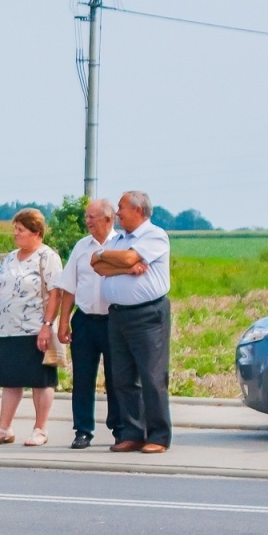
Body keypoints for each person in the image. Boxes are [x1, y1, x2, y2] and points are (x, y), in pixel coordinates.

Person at [92, 190, 173, 453]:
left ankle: (158, 436)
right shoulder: (119, 239)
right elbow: (97, 264)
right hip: (118, 315)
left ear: (138, 210)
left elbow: (124, 257)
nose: (117, 213)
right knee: (122, 377)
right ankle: (133, 432)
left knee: (151, 376)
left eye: (121, 207)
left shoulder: (154, 235)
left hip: (147, 315)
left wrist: (113, 258)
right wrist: (123, 265)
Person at [0, 208, 64, 447]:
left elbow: (55, 294)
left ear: (36, 233)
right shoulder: (9, 257)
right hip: (9, 328)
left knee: (40, 380)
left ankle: (41, 429)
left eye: (21, 230)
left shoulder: (47, 257)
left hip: (34, 328)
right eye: (15, 230)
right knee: (10, 380)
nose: (15, 235)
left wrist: (47, 326)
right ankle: (4, 428)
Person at [56, 198, 122, 449]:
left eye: (92, 217)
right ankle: (83, 430)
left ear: (108, 219)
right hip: (84, 319)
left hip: (113, 320)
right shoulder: (81, 247)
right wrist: (64, 322)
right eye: (86, 217)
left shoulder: (120, 245)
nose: (88, 221)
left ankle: (119, 428)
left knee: (116, 377)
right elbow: (68, 287)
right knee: (83, 378)